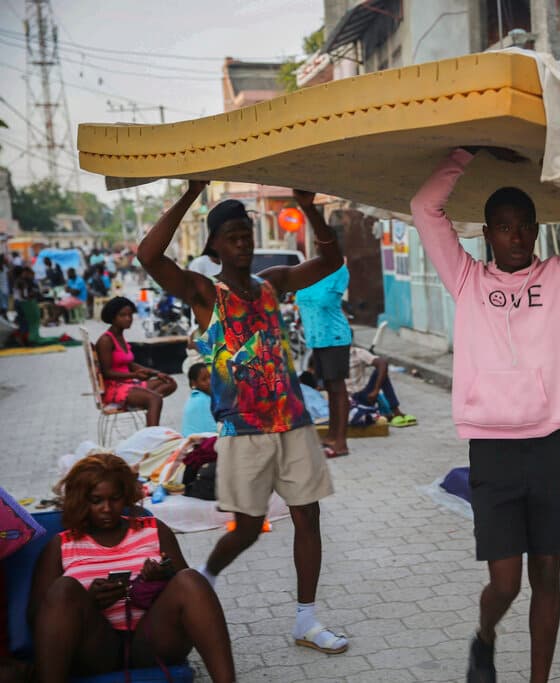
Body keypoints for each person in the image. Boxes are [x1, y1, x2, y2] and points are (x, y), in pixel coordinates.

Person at [410, 147, 560, 683]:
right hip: (490, 452)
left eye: (523, 227)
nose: (514, 238)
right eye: (502, 228)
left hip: (546, 447)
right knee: (506, 584)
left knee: (548, 578)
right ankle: (486, 633)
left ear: (536, 229)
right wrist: (463, 154)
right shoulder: (466, 280)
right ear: (487, 235)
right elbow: (425, 206)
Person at [137, 181, 348, 655]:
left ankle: (306, 619)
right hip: (242, 431)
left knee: (308, 516)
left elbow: (332, 261)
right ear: (213, 245)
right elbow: (148, 256)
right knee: (248, 526)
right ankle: (204, 581)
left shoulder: (272, 284)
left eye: (246, 232)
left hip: (291, 423)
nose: (243, 241)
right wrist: (193, 193)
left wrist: (309, 209)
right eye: (232, 234)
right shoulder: (203, 293)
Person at [29, 453, 235, 682]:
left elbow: (189, 600)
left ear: (125, 496)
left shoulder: (153, 529)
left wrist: (162, 578)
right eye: (96, 500)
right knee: (63, 589)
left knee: (190, 579)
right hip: (95, 648)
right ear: (82, 500)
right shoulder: (62, 545)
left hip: (152, 640)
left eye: (114, 498)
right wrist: (89, 601)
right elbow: (38, 615)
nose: (106, 508)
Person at [294, 262, 351, 457]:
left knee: (338, 387)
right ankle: (332, 434)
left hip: (334, 337)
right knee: (328, 386)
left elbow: (326, 300)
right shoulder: (310, 272)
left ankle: (341, 441)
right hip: (317, 340)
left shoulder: (338, 271)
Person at [95, 296, 178, 426]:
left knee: (170, 383)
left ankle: (146, 402)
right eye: (123, 315)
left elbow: (130, 364)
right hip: (115, 387)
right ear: (112, 317)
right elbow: (107, 372)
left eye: (130, 315)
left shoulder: (120, 336)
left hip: (130, 382)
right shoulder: (106, 340)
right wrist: (134, 375)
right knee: (155, 399)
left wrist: (156, 373)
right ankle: (152, 438)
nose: (128, 318)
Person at [347, 346, 415, 426]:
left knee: (381, 371)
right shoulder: (331, 355)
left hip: (360, 395)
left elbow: (382, 363)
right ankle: (391, 413)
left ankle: (396, 411)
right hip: (343, 400)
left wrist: (375, 391)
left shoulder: (357, 352)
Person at [182, 363, 218, 436]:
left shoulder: (199, 396)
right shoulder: (201, 400)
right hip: (198, 444)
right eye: (204, 379)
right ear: (194, 383)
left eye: (211, 377)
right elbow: (213, 430)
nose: (209, 382)